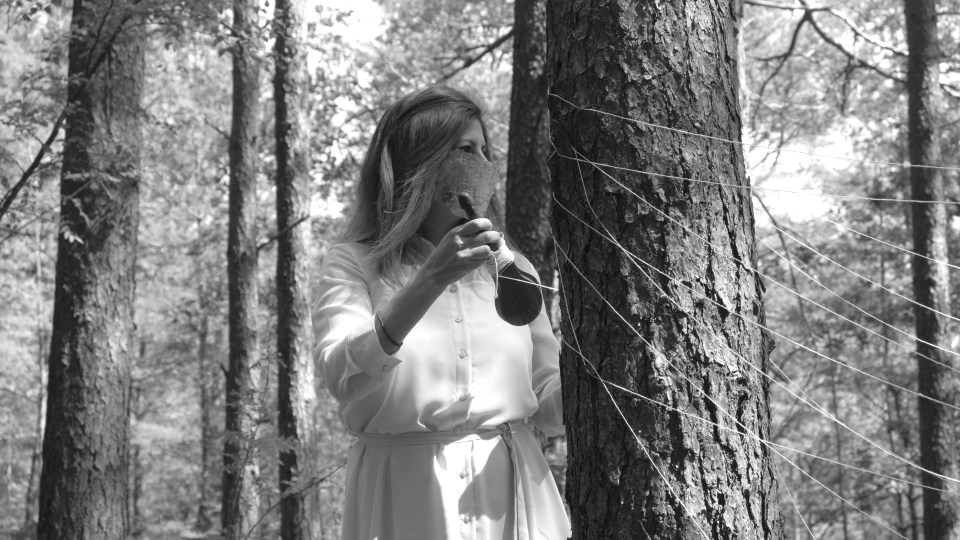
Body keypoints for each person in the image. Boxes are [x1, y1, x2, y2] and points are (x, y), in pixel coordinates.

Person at [313, 86, 569, 540]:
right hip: (404, 497)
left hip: (513, 494)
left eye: (485, 151)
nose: (483, 165)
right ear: (418, 162)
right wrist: (429, 280)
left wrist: (595, 371)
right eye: (465, 150)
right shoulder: (354, 264)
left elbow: (549, 407)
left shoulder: (513, 267)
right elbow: (342, 375)